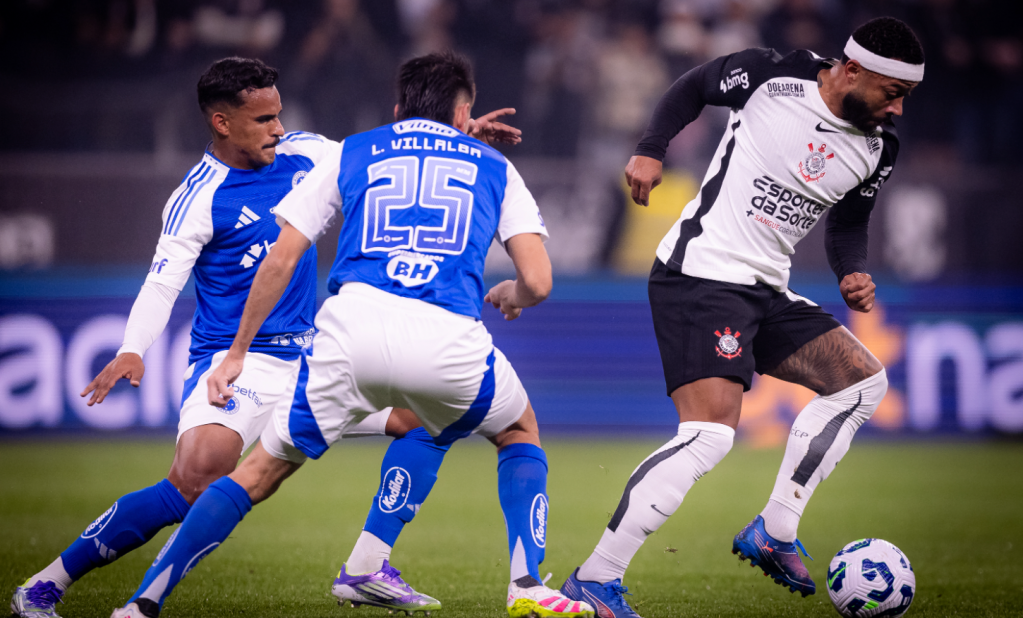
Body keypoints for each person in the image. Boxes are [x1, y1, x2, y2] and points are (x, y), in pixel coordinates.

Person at [11, 56, 522, 618]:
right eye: (263, 120)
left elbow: (391, 153)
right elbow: (162, 283)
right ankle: (48, 582)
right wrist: (133, 348)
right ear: (222, 123)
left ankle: (369, 565)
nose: (279, 128)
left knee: (429, 416)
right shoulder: (198, 197)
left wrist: (457, 134)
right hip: (239, 362)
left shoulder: (309, 151)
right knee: (194, 482)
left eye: (279, 115)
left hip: (315, 358)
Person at [558, 17, 924, 618]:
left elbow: (850, 222)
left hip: (764, 291)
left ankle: (774, 531)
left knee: (862, 383)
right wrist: (651, 149)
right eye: (893, 93)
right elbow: (694, 85)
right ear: (853, 70)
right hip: (700, 274)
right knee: (709, 434)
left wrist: (850, 271)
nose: (899, 110)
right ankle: (595, 580)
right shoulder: (776, 74)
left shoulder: (878, 146)